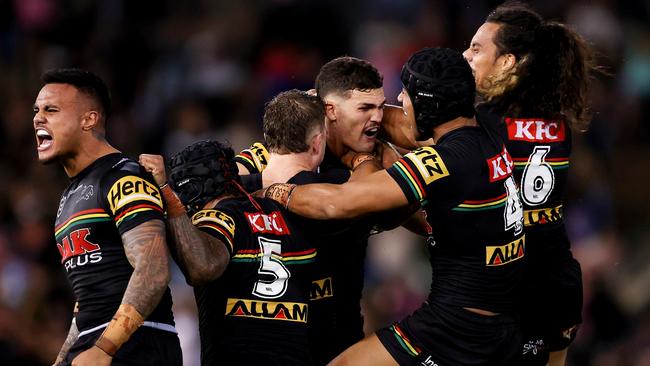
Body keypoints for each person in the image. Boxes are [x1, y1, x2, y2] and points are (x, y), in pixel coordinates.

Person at [261, 47, 525, 366]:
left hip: (456, 326)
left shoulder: (442, 162)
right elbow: (399, 125)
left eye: (406, 94)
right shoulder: (487, 130)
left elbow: (340, 203)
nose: (398, 101)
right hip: (501, 318)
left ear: (428, 104)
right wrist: (336, 110)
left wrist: (276, 190)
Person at [462, 3, 596, 365]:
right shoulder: (560, 121)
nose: (466, 55)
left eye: (476, 48)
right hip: (558, 280)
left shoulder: (483, 122)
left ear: (507, 62)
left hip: (509, 284)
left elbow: (414, 136)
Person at [33, 68, 181, 366]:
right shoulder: (68, 197)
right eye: (36, 110)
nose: (38, 118)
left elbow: (153, 269)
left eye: (51, 109)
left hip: (138, 344)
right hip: (97, 343)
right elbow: (90, 298)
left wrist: (106, 347)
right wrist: (62, 359)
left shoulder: (123, 177)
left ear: (89, 119)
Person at [139, 139, 319, 365]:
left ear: (191, 190)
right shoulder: (285, 213)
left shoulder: (218, 217)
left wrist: (168, 197)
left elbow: (202, 268)